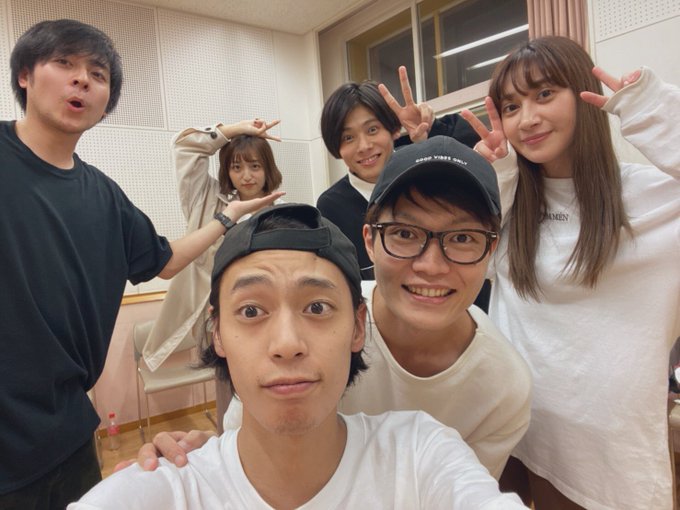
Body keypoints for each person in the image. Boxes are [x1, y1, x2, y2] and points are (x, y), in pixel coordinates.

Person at [70, 203, 527, 510]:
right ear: (217, 332)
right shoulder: (165, 488)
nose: (287, 343)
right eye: (252, 311)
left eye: (317, 307)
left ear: (358, 326)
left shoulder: (421, 453)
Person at [129, 136, 532, 481]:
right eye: (405, 233)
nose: (431, 265)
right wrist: (212, 461)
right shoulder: (316, 319)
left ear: (491, 249)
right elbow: (250, 453)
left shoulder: (502, 386)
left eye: (462, 238)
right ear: (369, 240)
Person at [0, 19, 281, 509]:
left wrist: (227, 217)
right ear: (25, 74)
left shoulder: (104, 196)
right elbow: (187, 147)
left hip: (68, 433)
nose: (82, 79)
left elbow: (165, 261)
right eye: (64, 63)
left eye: (98, 74)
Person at [460, 36, 680, 509]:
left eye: (544, 94)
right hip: (513, 432)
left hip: (605, 459)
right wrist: (499, 176)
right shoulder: (513, 207)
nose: (527, 119)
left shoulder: (657, 200)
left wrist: (655, 114)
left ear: (583, 92)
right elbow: (466, 260)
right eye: (511, 106)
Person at [141, 119, 284, 432]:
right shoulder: (206, 200)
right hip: (219, 319)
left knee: (268, 392)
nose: (246, 176)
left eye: (255, 166)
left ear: (267, 169)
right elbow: (184, 146)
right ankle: (229, 448)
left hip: (268, 320)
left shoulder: (282, 211)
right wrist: (235, 129)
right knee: (228, 396)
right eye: (236, 167)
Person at [316, 66, 480, 281]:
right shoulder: (331, 205)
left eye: (372, 130)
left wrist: (431, 131)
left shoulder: (423, 172)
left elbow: (473, 153)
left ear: (393, 130)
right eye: (348, 138)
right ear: (336, 147)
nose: (364, 146)